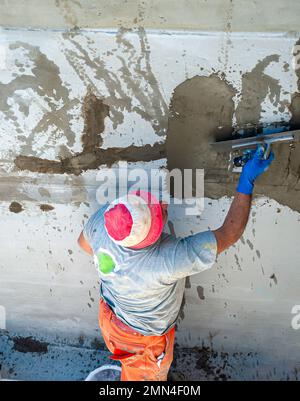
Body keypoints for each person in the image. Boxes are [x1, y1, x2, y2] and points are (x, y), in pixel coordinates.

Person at [78, 146, 274, 381]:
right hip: (145, 343)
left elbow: (84, 244)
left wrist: (117, 266)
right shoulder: (169, 259)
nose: (163, 204)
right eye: (159, 211)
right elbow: (230, 232)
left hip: (110, 319)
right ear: (151, 237)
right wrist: (246, 182)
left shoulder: (107, 219)